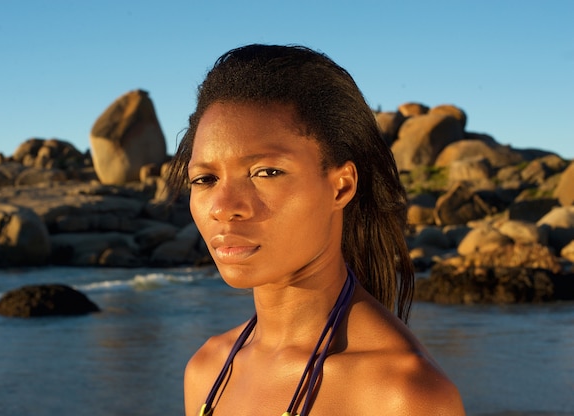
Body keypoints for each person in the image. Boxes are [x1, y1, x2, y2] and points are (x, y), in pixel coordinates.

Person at [167, 44, 465, 416]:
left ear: (341, 186)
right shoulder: (208, 370)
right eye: (205, 178)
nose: (224, 207)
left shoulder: (400, 394)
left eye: (267, 172)